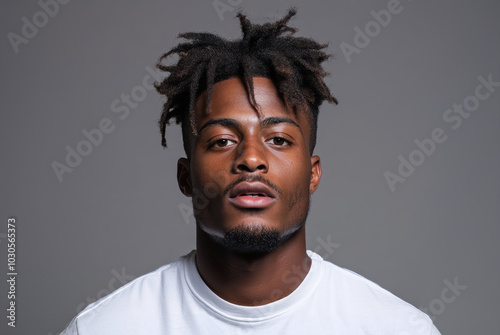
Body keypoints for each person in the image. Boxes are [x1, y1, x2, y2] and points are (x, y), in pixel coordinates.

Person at [61, 9, 440, 334]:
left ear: (313, 174)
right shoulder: (106, 327)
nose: (251, 159)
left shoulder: (396, 327)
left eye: (278, 139)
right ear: (186, 177)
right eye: (222, 140)